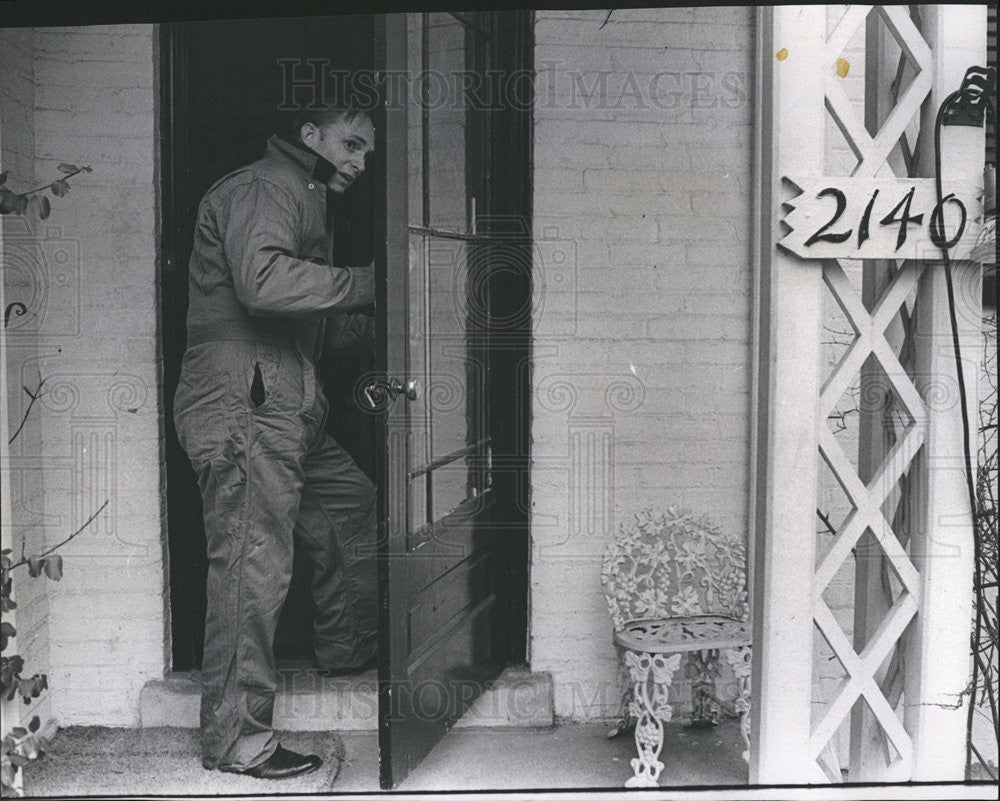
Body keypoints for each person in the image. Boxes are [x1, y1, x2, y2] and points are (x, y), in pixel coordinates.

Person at [173, 103, 378, 779]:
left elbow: (308, 323)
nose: (361, 160)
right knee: (251, 565)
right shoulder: (267, 185)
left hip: (283, 402)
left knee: (349, 502)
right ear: (309, 135)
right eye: (351, 143)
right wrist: (366, 284)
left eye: (368, 151)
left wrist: (389, 315)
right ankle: (238, 740)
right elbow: (263, 286)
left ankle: (349, 648)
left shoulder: (303, 195)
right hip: (245, 404)